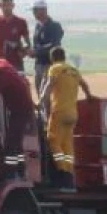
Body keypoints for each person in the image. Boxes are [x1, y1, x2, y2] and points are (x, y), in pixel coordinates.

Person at [39, 47, 93, 191]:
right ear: (64, 57)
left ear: (52, 59)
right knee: (67, 144)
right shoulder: (74, 70)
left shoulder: (55, 68)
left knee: (53, 141)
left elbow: (48, 86)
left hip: (59, 112)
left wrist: (41, 101)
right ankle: (69, 176)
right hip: (73, 114)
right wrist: (89, 97)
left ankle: (61, 173)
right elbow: (85, 85)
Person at [27, 0, 64, 96]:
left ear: (43, 10)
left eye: (35, 10)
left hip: (50, 65)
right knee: (40, 92)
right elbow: (37, 44)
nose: (34, 13)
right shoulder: (38, 26)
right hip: (39, 64)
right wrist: (31, 52)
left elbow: (54, 44)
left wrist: (36, 52)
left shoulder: (55, 26)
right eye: (33, 11)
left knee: (48, 94)